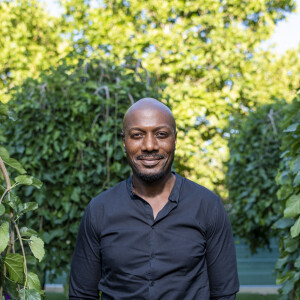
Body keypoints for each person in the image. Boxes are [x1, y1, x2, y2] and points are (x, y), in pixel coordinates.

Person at [69, 98, 239, 300]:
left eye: (161, 134)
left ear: (175, 139)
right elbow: (82, 295)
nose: (149, 146)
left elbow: (224, 294)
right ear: (124, 142)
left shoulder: (207, 206)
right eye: (137, 135)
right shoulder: (99, 209)